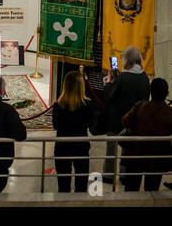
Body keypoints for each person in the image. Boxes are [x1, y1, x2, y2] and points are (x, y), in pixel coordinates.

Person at [102, 46, 150, 183]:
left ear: (127, 60)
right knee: (127, 149)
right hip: (134, 120)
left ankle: (109, 175)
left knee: (111, 149)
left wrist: (109, 81)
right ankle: (124, 175)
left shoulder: (122, 78)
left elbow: (109, 98)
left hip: (116, 119)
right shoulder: (144, 78)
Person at [122, 78, 172, 191]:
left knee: (131, 190)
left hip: (136, 155)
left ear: (151, 91)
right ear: (166, 93)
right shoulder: (169, 112)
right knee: (152, 191)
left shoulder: (140, 106)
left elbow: (125, 121)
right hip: (157, 158)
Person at [53, 71, 95, 192]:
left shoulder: (58, 105)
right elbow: (90, 124)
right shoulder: (88, 105)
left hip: (62, 147)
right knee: (81, 185)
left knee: (63, 185)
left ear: (65, 86)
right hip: (81, 146)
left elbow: (56, 126)